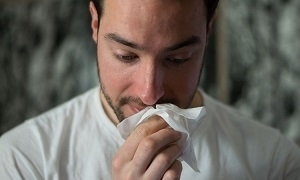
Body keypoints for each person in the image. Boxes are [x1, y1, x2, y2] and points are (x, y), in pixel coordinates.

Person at [1, 0, 300, 179]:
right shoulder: (23, 163)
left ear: (208, 30)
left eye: (177, 59)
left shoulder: (275, 163)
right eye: (126, 56)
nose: (150, 93)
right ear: (95, 23)